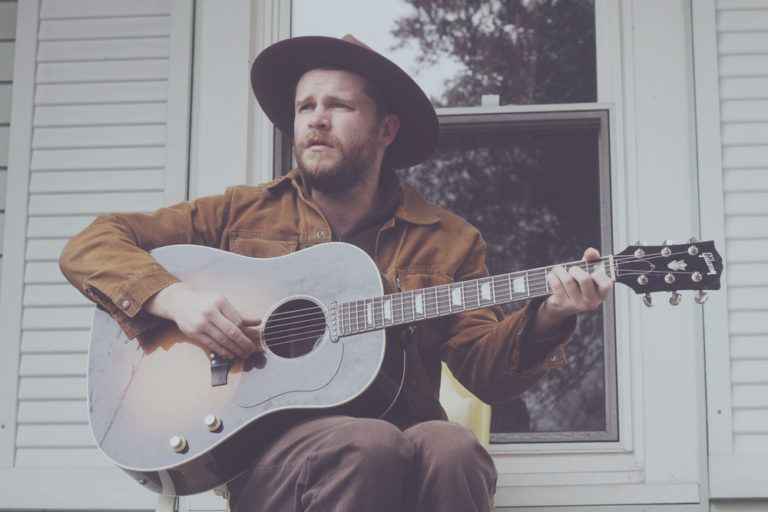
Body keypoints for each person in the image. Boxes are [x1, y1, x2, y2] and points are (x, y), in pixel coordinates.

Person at [60, 34, 613, 512]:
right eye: (305, 107)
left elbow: (485, 374)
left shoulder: (449, 239)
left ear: (386, 130)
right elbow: (92, 244)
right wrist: (176, 299)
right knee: (366, 444)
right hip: (270, 459)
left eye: (338, 106)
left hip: (404, 437)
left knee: (455, 448)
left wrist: (550, 315)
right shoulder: (238, 214)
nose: (316, 119)